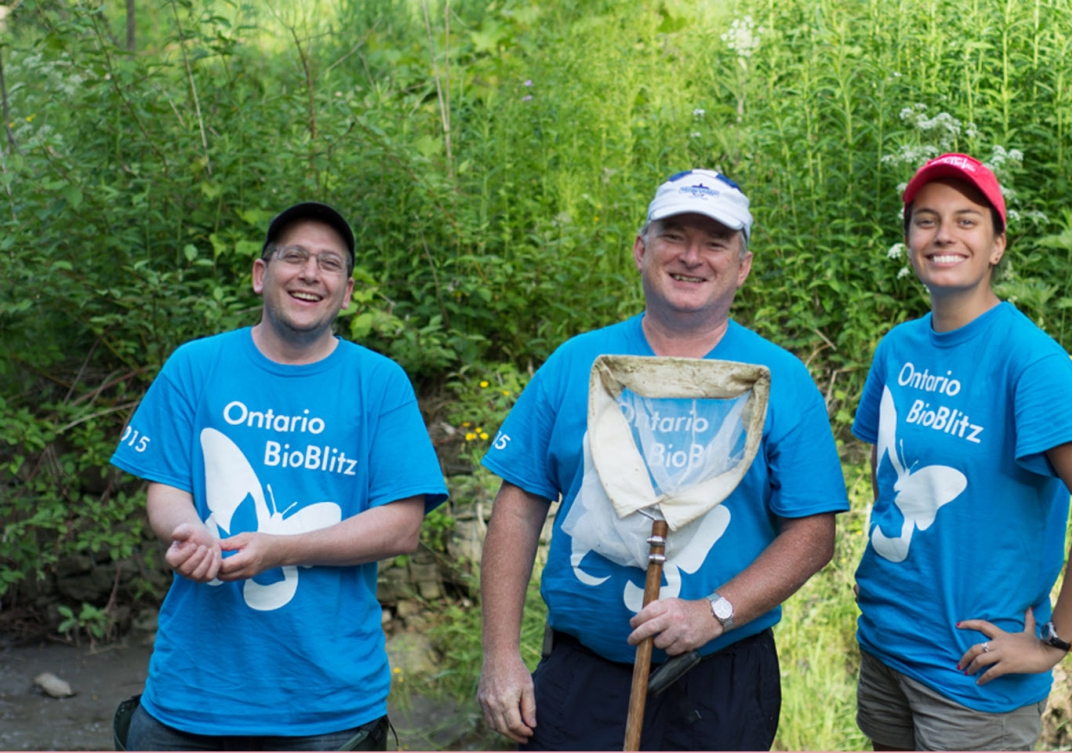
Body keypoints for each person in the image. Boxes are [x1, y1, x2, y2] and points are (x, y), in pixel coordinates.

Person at [475, 169, 850, 751]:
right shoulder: (578, 364)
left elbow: (813, 534)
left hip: (719, 680)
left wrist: (715, 612)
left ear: (742, 265)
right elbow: (518, 510)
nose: (692, 257)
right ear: (641, 248)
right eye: (674, 235)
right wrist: (499, 656)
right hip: (580, 678)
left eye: (715, 242)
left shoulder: (780, 380)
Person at [109, 202, 448, 750]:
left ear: (348, 290)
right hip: (189, 700)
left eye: (330, 263)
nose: (311, 273)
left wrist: (280, 549)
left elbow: (402, 527)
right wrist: (187, 530)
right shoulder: (195, 366)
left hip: (328, 711)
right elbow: (166, 489)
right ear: (261, 275)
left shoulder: (379, 383)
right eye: (295, 257)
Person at [850, 153, 1072, 751]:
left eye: (967, 219)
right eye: (926, 220)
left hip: (971, 679)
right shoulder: (897, 349)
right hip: (886, 645)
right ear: (908, 240)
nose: (944, 235)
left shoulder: (1028, 360)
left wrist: (1053, 641)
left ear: (997, 244)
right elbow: (886, 476)